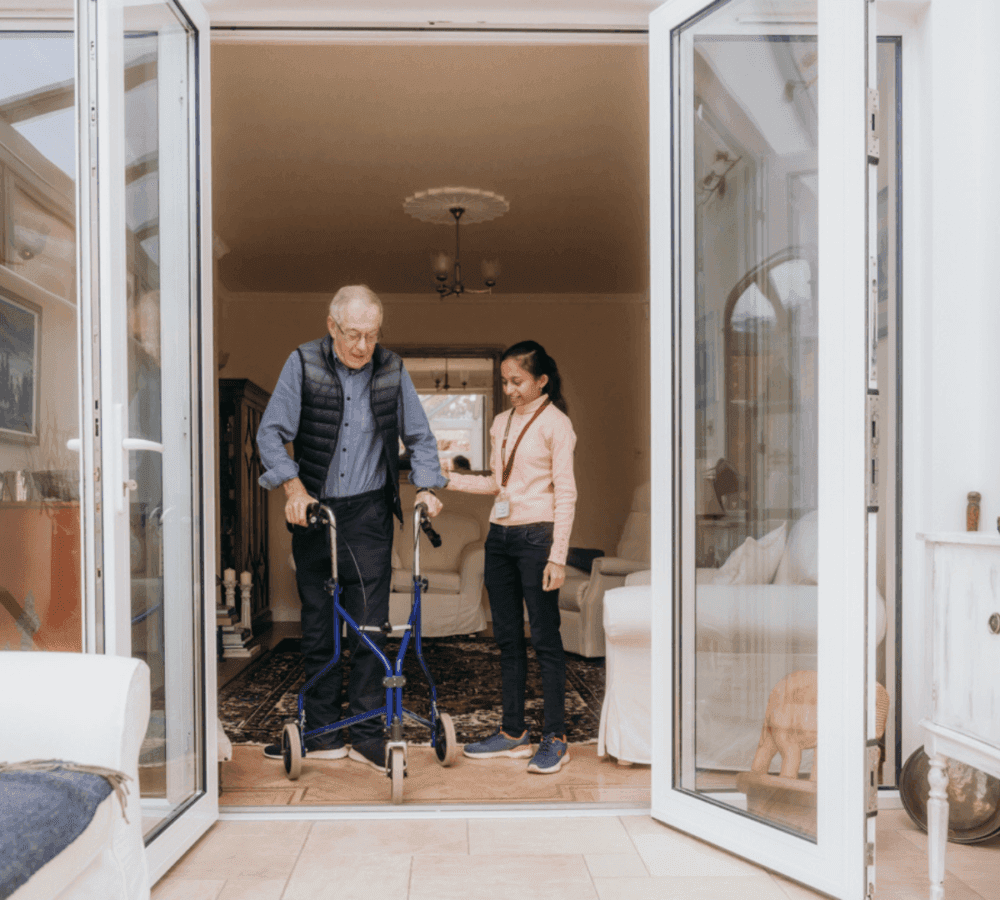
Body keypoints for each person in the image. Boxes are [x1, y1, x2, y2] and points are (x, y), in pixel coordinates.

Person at [256, 285, 446, 772]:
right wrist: (294, 489)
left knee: (368, 625)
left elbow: (420, 436)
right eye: (353, 334)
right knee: (319, 624)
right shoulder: (303, 363)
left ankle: (365, 733)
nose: (363, 346)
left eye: (372, 335)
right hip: (315, 509)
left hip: (368, 513)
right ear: (332, 326)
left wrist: (426, 486)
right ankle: (322, 733)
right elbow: (270, 433)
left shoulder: (392, 369)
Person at [445, 341, 577, 773]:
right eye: (504, 382)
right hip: (499, 537)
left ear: (542, 380)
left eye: (517, 381)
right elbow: (496, 484)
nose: (509, 390)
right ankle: (514, 732)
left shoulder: (557, 424)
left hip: (538, 537)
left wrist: (558, 557)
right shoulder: (500, 423)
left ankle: (556, 738)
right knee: (506, 638)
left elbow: (566, 493)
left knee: (545, 638)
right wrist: (449, 480)